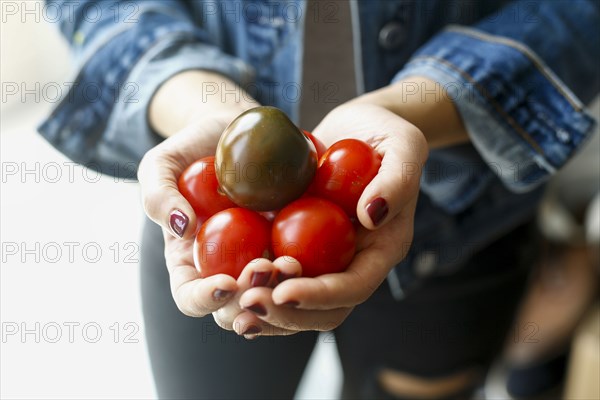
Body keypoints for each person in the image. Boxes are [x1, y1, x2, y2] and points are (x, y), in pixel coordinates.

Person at [40, 1, 599, 398]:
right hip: (212, 220)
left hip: (461, 211)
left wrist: (416, 108)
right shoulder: (210, 210)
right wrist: (194, 102)